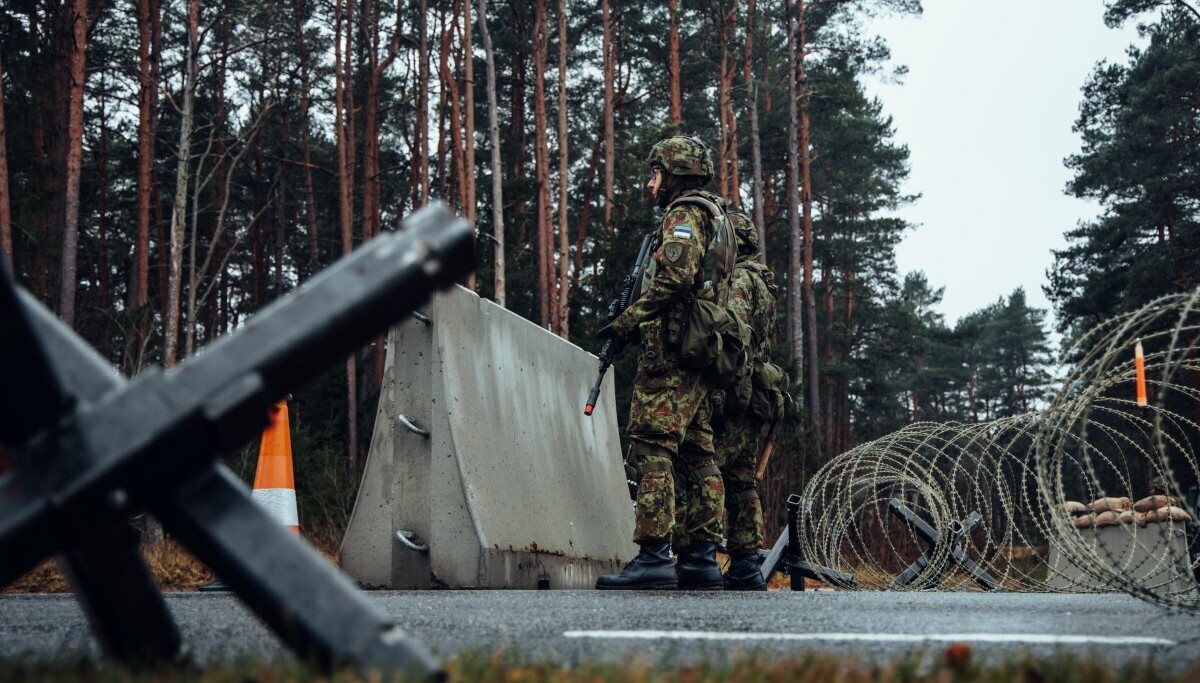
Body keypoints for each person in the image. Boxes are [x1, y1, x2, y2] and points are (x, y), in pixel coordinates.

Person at [594, 135, 735, 590]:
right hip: (697, 354)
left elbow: (674, 277)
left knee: (653, 447)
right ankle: (701, 558)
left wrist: (627, 321)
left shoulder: (684, 215)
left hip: (671, 355)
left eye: (656, 173)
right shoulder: (716, 216)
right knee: (698, 456)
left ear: (674, 174)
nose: (651, 183)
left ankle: (654, 556)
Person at [712, 208, 779, 591]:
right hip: (755, 393)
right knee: (741, 479)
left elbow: (731, 335)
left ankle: (696, 554)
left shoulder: (739, 280)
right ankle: (746, 562)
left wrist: (718, 392)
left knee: (706, 470)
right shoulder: (764, 283)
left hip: (736, 392)